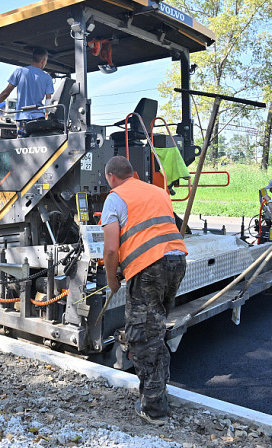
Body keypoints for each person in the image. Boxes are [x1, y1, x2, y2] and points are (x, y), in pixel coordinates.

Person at [101, 156, 188, 426]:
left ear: (110, 177)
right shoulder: (157, 191)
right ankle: (158, 393)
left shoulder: (115, 198)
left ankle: (154, 409)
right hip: (176, 262)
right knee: (155, 331)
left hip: (149, 267)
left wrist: (112, 279)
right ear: (135, 174)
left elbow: (111, 249)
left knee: (142, 338)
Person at [0, 47, 54, 137]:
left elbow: (6, 93)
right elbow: (48, 100)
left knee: (23, 146)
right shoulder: (47, 77)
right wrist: (47, 113)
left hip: (22, 118)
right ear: (43, 60)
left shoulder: (19, 71)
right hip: (39, 118)